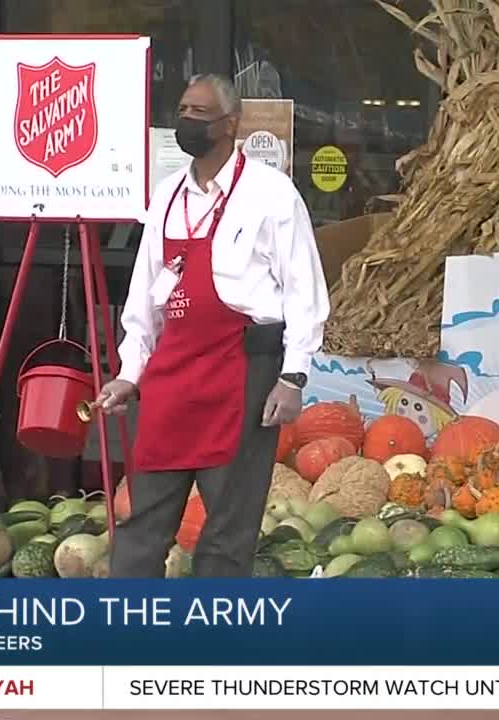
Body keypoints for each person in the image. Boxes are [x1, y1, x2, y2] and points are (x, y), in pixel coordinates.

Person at [96, 73, 329, 577]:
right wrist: (129, 373)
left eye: (200, 113)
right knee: (142, 525)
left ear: (231, 124)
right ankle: (123, 639)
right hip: (171, 378)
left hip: (244, 373)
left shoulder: (272, 195)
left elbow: (305, 294)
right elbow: (144, 296)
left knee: (228, 530)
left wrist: (293, 378)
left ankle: (213, 646)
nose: (187, 121)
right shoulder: (166, 195)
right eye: (183, 110)